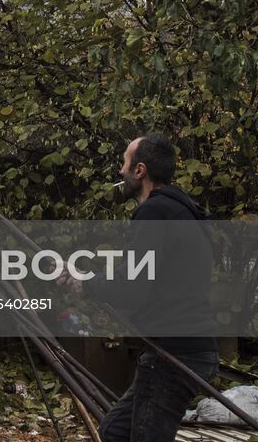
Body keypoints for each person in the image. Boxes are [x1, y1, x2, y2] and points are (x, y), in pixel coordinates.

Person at [75, 133, 219, 442]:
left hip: (174, 354)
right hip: (180, 349)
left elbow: (132, 288)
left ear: (140, 170)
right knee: (115, 431)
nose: (120, 171)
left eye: (125, 163)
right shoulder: (181, 211)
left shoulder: (155, 213)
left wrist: (85, 283)